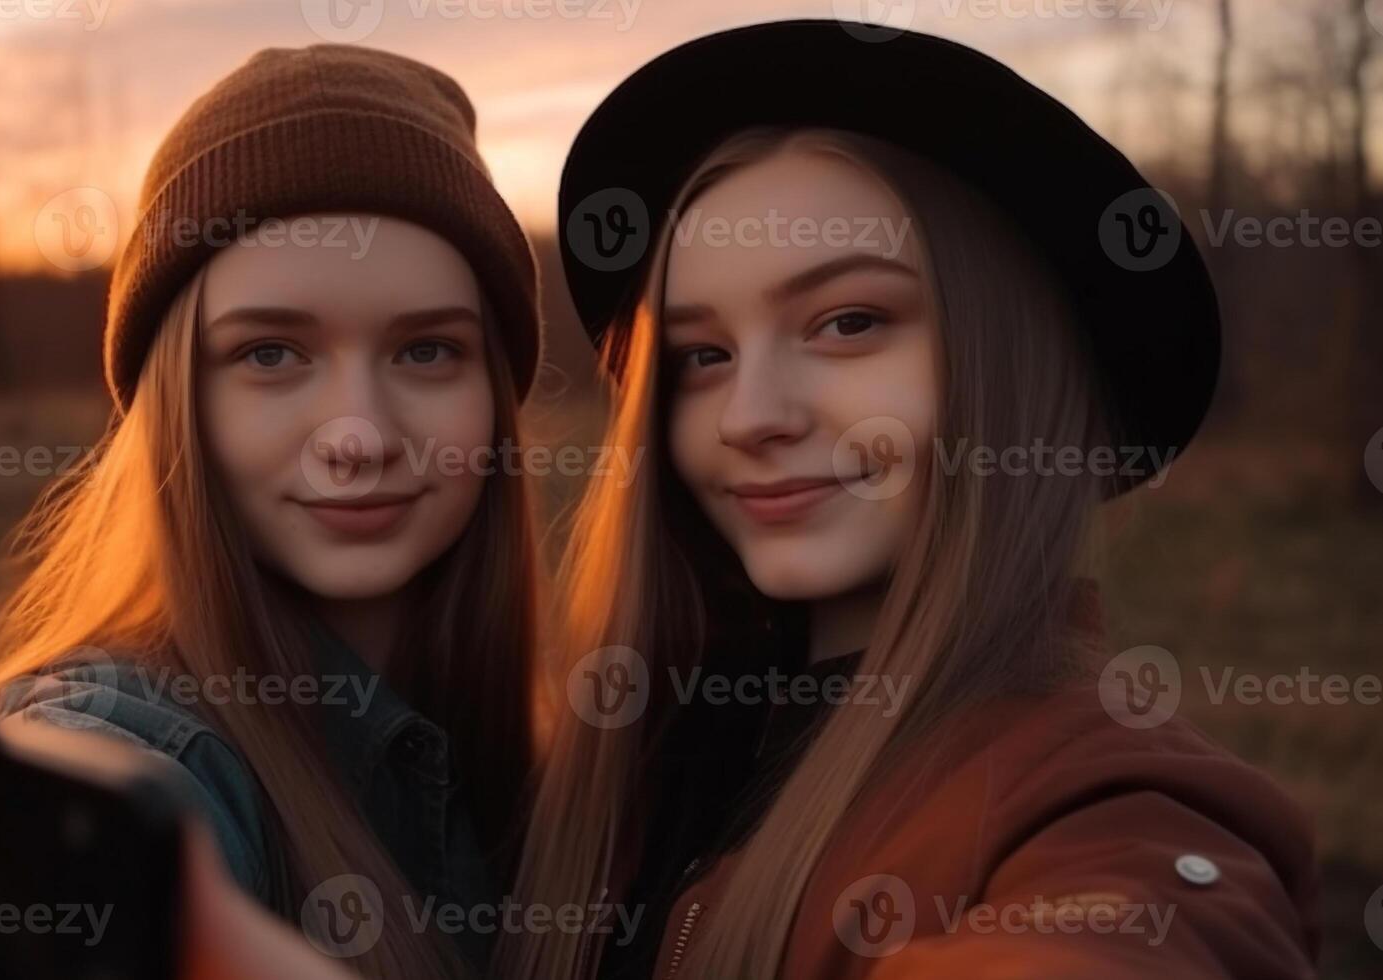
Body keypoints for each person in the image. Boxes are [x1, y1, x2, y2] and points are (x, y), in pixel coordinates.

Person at [497, 21, 1320, 979]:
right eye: (702, 356)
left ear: (1009, 370)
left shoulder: (1106, 803)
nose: (749, 415)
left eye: (849, 322)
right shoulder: (606, 771)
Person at [0, 44, 542, 977]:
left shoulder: (548, 772)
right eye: (271, 354)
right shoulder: (127, 750)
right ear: (175, 408)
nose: (357, 436)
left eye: (427, 352)